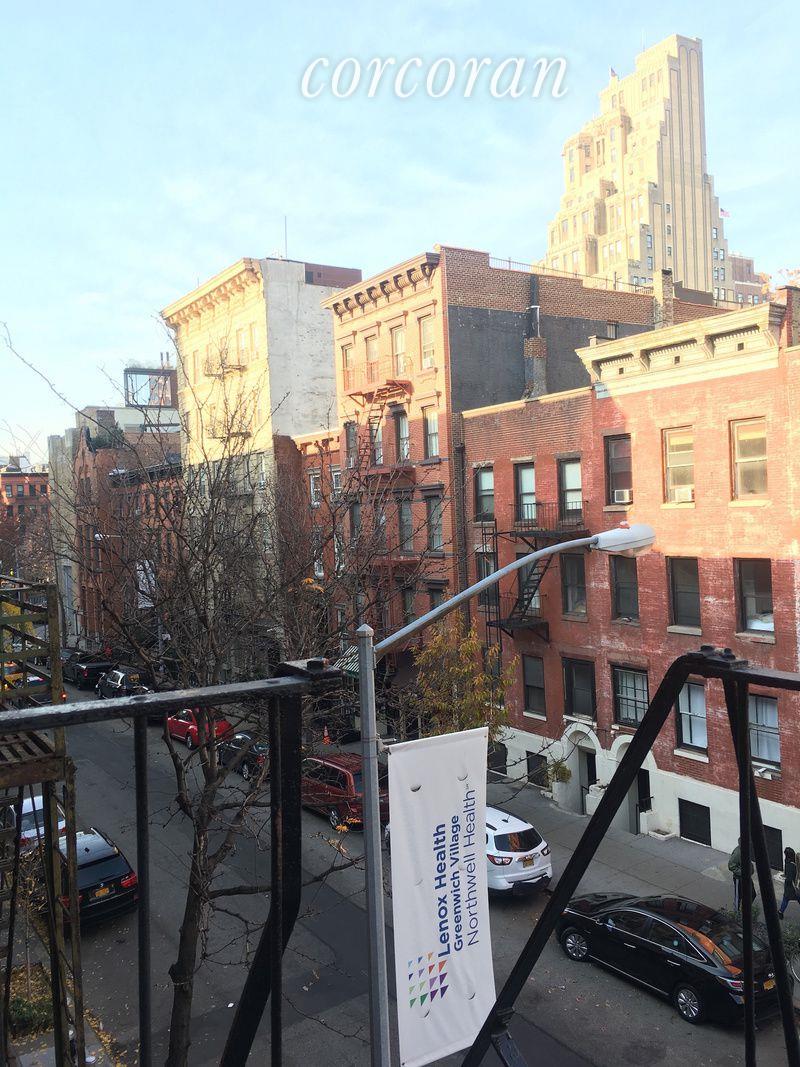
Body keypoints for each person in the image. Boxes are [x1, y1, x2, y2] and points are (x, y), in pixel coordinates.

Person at [728, 838, 756, 910]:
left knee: (753, 894)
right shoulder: (737, 853)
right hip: (739, 879)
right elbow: (731, 866)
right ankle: (736, 913)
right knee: (738, 897)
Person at [779, 846, 798, 919]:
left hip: (788, 885)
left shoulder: (787, 862)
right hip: (792, 886)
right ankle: (780, 912)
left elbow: (787, 875)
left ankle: (780, 912)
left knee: (786, 899)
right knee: (789, 898)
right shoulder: (792, 865)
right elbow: (790, 878)